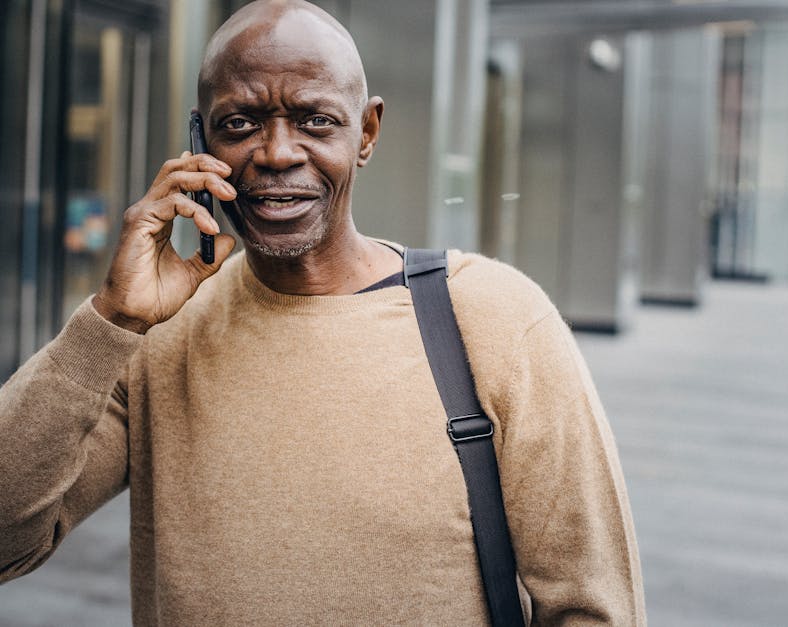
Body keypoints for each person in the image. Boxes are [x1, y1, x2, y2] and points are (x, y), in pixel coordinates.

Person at [0, 1, 645, 624]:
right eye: (240, 123)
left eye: (315, 121)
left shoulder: (496, 319)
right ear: (200, 138)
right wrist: (109, 321)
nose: (277, 152)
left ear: (366, 132)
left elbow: (593, 607)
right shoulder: (159, 337)